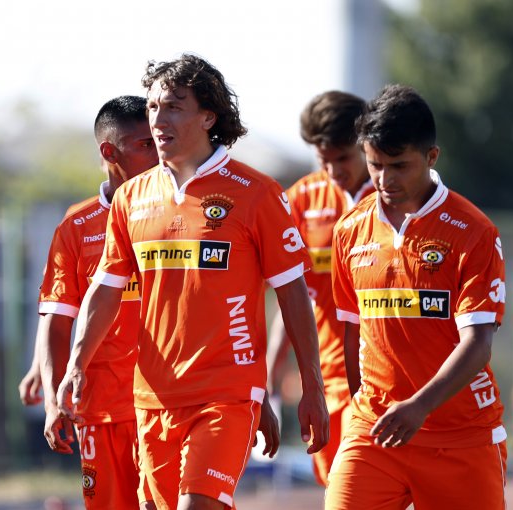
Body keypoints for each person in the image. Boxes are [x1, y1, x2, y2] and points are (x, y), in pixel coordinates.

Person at [57, 54, 329, 510]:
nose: (158, 120)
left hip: (226, 393)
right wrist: (76, 363)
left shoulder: (257, 193)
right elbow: (105, 289)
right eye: (152, 107)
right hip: (153, 397)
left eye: (174, 107)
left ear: (209, 116)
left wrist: (310, 387)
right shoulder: (130, 198)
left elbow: (292, 292)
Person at [326, 84, 508, 509]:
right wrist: (361, 409)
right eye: (374, 166)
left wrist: (418, 407)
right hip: (375, 431)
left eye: (398, 166)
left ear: (431, 157)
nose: (384, 180)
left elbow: (478, 345)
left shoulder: (474, 232)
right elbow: (352, 331)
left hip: (460, 436)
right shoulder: (349, 230)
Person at [30, 95, 158, 508]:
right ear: (110, 151)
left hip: (165, 404)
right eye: (145, 145)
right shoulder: (76, 225)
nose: (158, 154)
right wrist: (53, 401)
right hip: (100, 411)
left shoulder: (177, 211)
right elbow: (57, 319)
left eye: (159, 141)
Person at [265, 90, 372, 486]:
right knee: (340, 488)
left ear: (365, 145)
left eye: (342, 158)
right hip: (330, 379)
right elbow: (292, 295)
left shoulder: (394, 196)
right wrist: (270, 376)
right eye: (322, 159)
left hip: (392, 379)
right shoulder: (301, 200)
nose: (332, 170)